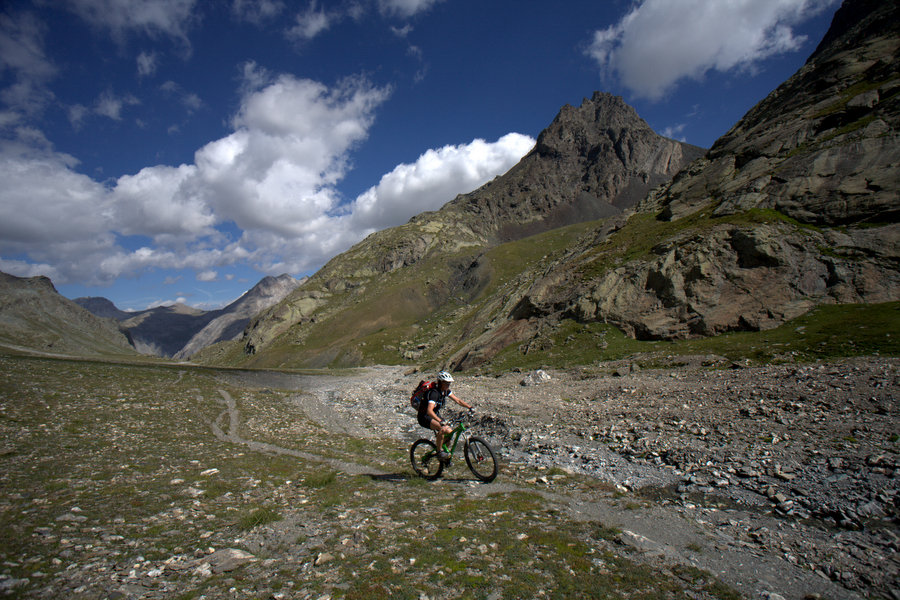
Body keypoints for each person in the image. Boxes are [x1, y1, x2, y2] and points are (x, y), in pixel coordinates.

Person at [417, 371, 473, 462]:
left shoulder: (445, 391)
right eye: (446, 383)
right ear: (440, 382)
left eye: (449, 383)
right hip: (424, 417)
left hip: (434, 415)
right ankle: (439, 452)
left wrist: (469, 407)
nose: (448, 385)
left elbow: (458, 400)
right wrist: (440, 420)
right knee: (442, 428)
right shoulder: (434, 393)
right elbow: (429, 411)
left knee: (449, 432)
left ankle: (445, 455)